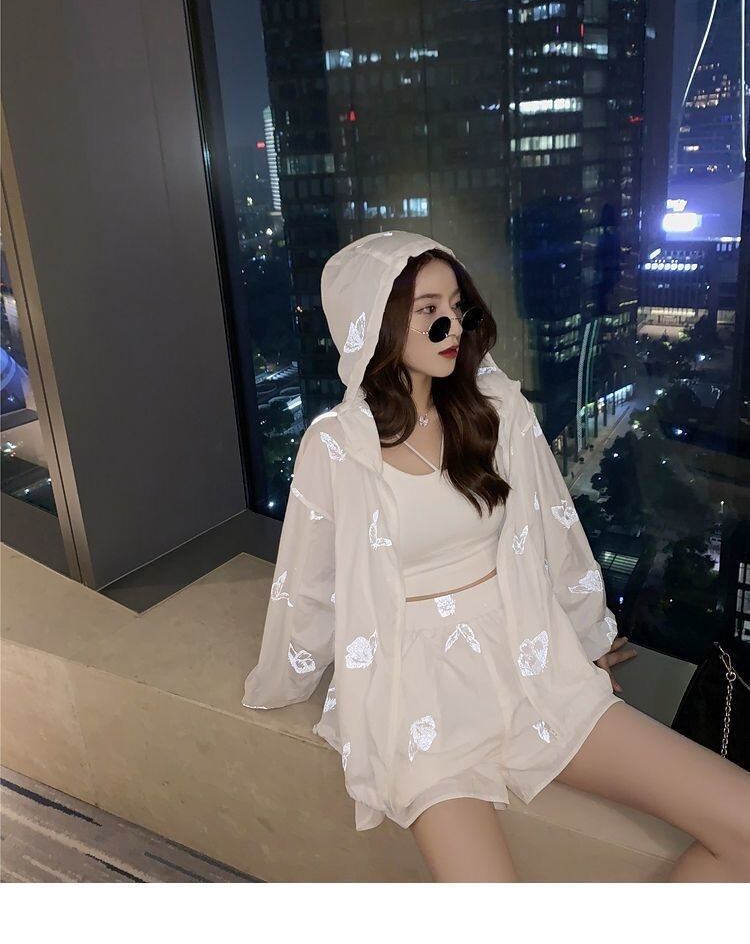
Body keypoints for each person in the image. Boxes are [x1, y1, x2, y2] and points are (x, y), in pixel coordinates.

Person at [242, 230, 750, 882]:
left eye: (457, 306)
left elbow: (553, 526)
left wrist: (585, 637)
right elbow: (309, 583)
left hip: (528, 659)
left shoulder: (496, 409)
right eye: (429, 311)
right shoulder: (338, 444)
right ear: (376, 323)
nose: (452, 325)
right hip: (418, 693)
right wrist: (285, 677)